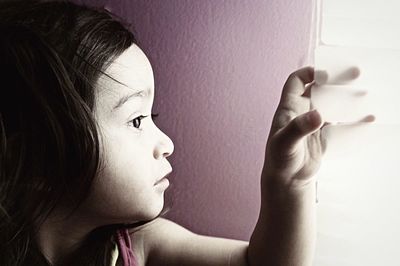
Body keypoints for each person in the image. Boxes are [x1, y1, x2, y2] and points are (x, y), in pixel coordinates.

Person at [0, 1, 371, 265]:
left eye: (152, 115)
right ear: (37, 160)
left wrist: (290, 185)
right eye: (136, 121)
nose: (167, 143)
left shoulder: (139, 246)